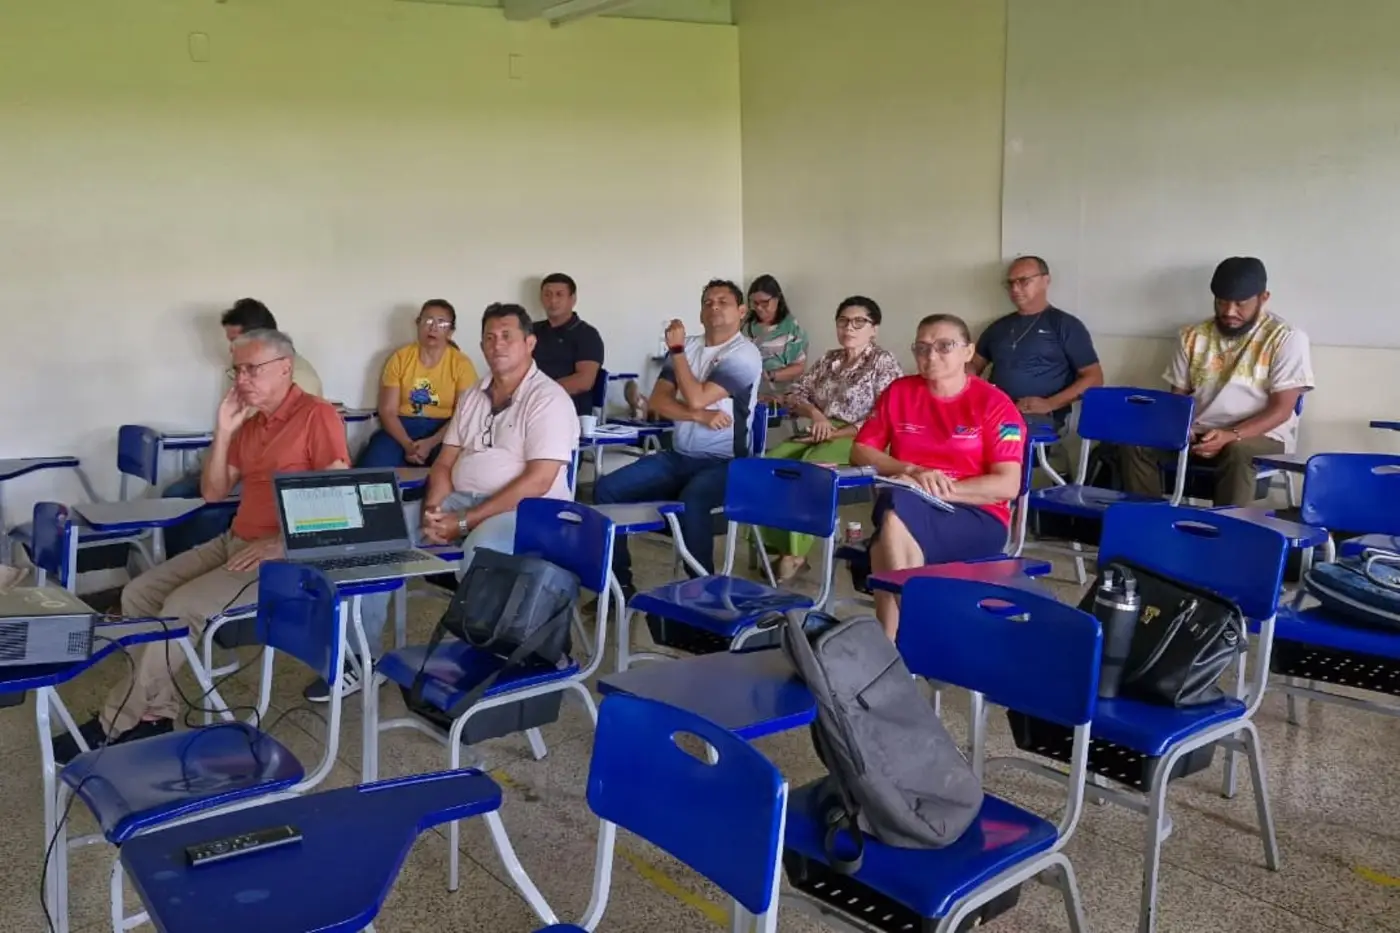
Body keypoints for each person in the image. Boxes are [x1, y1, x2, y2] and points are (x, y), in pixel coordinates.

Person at [54, 330, 350, 763]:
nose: (242, 380)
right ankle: (155, 712)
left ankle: (115, 722)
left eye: (252, 369)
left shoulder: (316, 416)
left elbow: (340, 501)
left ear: (285, 368)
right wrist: (224, 430)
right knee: (139, 594)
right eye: (237, 370)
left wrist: (280, 544)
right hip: (236, 540)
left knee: (181, 609)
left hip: (284, 557)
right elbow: (213, 492)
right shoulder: (252, 424)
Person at [306, 303, 579, 701]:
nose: (497, 345)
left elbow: (539, 480)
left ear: (530, 343)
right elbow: (445, 462)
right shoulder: (474, 396)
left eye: (507, 336)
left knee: (482, 552)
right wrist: (435, 509)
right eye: (489, 337)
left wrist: (464, 521)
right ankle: (358, 658)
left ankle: (482, 668)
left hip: (528, 511)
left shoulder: (548, 399)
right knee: (374, 534)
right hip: (461, 500)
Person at [852, 314, 1026, 641]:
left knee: (889, 528)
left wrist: (936, 490)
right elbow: (861, 449)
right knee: (892, 520)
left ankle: (905, 640)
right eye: (922, 348)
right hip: (908, 503)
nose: (930, 355)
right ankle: (898, 646)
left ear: (968, 352)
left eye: (944, 346)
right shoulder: (900, 392)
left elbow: (1007, 485)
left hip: (977, 516)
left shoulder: (995, 404)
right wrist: (910, 470)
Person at [593, 279, 763, 596]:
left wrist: (677, 352)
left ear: (741, 311)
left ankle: (703, 590)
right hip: (680, 456)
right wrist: (699, 416)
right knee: (607, 490)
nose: (714, 307)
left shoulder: (745, 354)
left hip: (728, 463)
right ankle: (620, 587)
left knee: (693, 499)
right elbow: (659, 402)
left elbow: (697, 397)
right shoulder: (689, 347)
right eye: (707, 302)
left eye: (723, 302)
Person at [1120, 257, 1314, 508]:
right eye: (1222, 302)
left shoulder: (1286, 338)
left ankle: (1226, 528)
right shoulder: (1192, 336)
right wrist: (1184, 428)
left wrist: (1230, 436)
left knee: (1238, 451)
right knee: (1135, 442)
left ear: (1263, 298)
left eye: (1240, 304)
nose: (1229, 312)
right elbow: (1178, 399)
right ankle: (1148, 520)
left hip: (1260, 435)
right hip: (1200, 432)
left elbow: (1281, 410)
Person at [162, 299, 326, 557]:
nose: (231, 349)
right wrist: (222, 438)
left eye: (235, 340)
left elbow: (328, 482)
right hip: (240, 463)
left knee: (180, 496)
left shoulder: (299, 385)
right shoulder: (246, 376)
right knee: (182, 493)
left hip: (262, 482)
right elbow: (237, 433)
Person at [761, 296, 903, 582]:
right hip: (822, 429)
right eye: (843, 321)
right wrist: (816, 416)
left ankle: (795, 553)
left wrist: (833, 432)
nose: (849, 327)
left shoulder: (882, 362)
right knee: (770, 464)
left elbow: (885, 414)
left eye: (859, 322)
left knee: (810, 470)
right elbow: (795, 392)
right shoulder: (829, 359)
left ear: (874, 329)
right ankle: (775, 544)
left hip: (863, 437)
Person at [971, 256, 1102, 428]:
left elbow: (1094, 378)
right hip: (996, 410)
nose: (1015, 289)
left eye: (1024, 281)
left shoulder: (1065, 325)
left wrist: (1049, 404)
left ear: (1045, 281)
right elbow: (974, 365)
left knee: (1005, 437)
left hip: (1040, 415)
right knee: (957, 430)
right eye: (1010, 283)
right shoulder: (998, 327)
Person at [355, 300, 478, 468]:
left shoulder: (461, 364)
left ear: (450, 331)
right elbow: (387, 411)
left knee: (457, 468)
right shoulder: (400, 358)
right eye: (428, 320)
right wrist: (408, 445)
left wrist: (430, 443)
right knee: (373, 466)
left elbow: (463, 415)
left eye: (441, 323)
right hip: (401, 428)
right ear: (418, 324)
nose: (433, 328)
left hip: (445, 430)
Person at [531, 273, 605, 416]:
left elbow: (584, 381)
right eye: (547, 295)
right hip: (528, 408)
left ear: (573, 299)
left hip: (568, 411)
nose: (553, 300)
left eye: (559, 294)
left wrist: (539, 393)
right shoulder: (531, 330)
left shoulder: (587, 334)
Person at [742, 274, 808, 402]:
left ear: (777, 299)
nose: (759, 308)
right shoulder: (747, 326)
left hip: (779, 397)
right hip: (749, 394)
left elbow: (799, 367)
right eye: (755, 303)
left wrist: (771, 375)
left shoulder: (791, 328)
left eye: (764, 303)